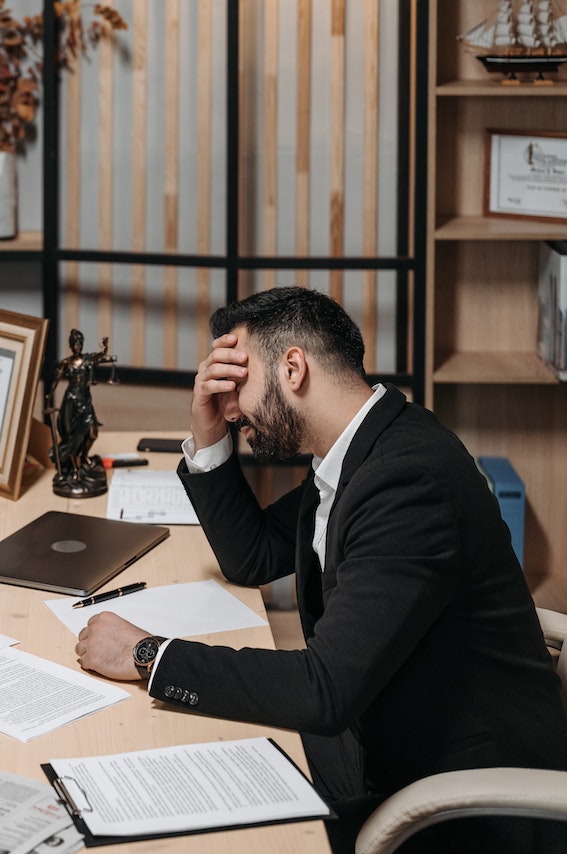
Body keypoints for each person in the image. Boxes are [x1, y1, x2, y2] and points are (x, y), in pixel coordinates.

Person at [74, 287, 567, 853]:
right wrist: (208, 436)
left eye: (238, 383)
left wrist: (147, 655)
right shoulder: (361, 448)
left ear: (293, 367)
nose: (231, 409)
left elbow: (324, 690)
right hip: (378, 733)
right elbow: (253, 556)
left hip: (463, 805)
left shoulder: (409, 481)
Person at [45, 329, 116, 496]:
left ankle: (84, 457)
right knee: (72, 438)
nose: (78, 346)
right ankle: (76, 469)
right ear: (71, 345)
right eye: (75, 343)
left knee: (92, 433)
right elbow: (54, 383)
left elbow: (101, 356)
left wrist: (105, 346)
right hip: (71, 403)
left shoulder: (87, 360)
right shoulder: (66, 363)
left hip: (85, 402)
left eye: (80, 343)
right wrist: (48, 400)